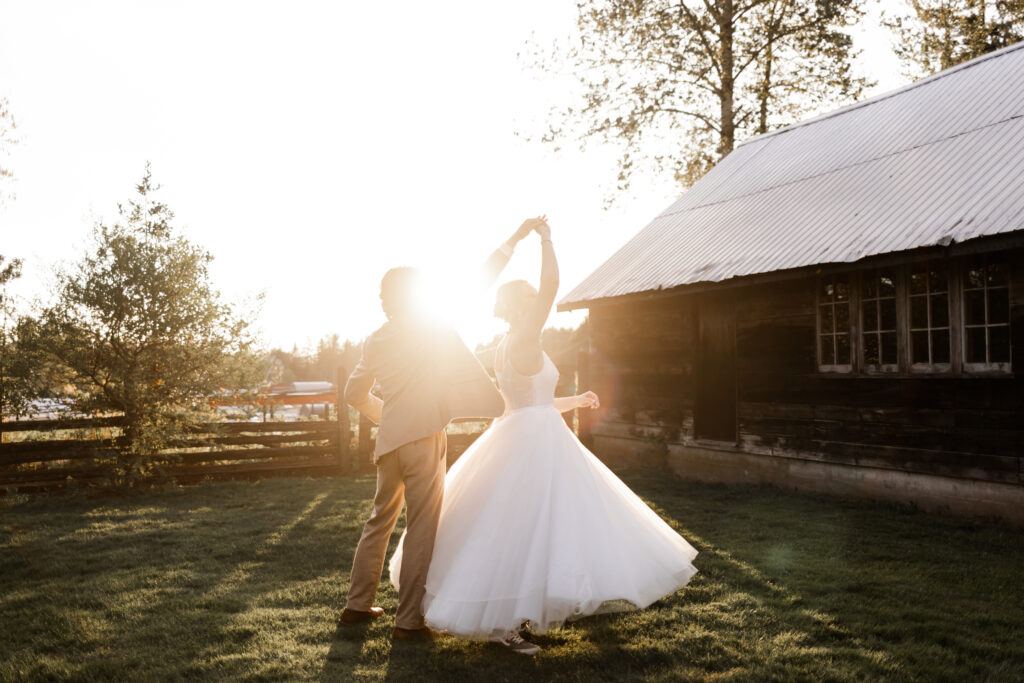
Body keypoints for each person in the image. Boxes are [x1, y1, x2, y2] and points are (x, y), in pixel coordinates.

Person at [389, 218, 699, 656]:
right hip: (532, 445)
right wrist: (546, 240)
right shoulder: (527, 334)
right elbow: (551, 285)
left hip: (525, 432)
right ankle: (503, 625)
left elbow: (530, 401)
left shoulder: (506, 343)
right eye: (532, 299)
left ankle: (508, 617)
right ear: (520, 306)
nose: (540, 302)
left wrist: (576, 400)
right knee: (521, 526)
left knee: (525, 526)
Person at [339, 217, 550, 641]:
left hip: (390, 441)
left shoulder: (375, 339)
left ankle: (356, 607)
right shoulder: (434, 323)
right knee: (421, 527)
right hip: (425, 439)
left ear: (387, 300)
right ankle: (408, 621)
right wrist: (515, 238)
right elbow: (482, 278)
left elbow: (352, 392)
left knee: (378, 520)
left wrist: (387, 418)